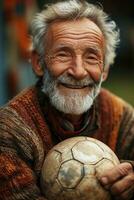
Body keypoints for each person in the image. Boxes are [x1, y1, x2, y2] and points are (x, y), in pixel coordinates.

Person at [0, 0, 134, 199]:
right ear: (38, 63)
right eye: (63, 55)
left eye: (91, 57)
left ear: (104, 70)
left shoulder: (120, 115)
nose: (78, 71)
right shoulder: (10, 129)